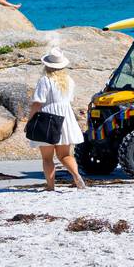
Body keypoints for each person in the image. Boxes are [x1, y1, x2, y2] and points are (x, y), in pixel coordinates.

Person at [26, 48, 86, 190]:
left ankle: (50, 186)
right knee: (65, 155)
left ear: (47, 65)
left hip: (47, 119)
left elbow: (37, 102)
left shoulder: (45, 80)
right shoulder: (69, 81)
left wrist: (31, 118)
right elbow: (68, 100)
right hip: (65, 119)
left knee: (47, 158)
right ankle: (77, 176)